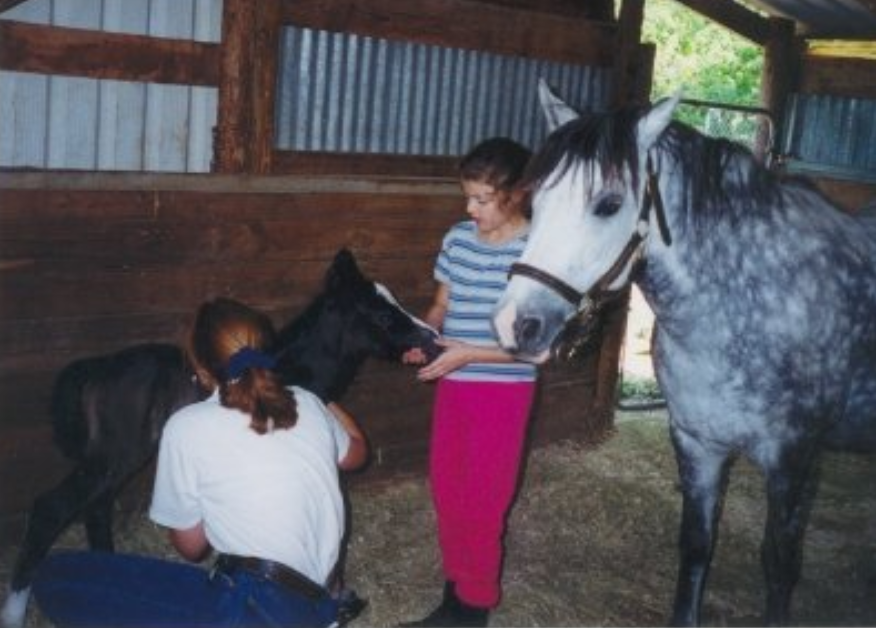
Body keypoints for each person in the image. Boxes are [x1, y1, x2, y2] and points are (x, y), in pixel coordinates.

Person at [32, 297, 369, 628]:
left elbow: (191, 549)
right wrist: (321, 396)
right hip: (319, 602)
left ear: (202, 370)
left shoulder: (187, 426)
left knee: (55, 577)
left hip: (258, 607)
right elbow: (357, 453)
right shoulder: (307, 402)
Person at [400, 137, 538, 627]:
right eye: (468, 197)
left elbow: (538, 346)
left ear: (519, 193)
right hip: (455, 384)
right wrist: (427, 334)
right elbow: (443, 305)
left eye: (482, 199)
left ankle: (473, 609)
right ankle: (456, 592)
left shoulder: (537, 250)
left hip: (502, 389)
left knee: (484, 498)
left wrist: (467, 353)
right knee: (447, 488)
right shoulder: (458, 238)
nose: (469, 208)